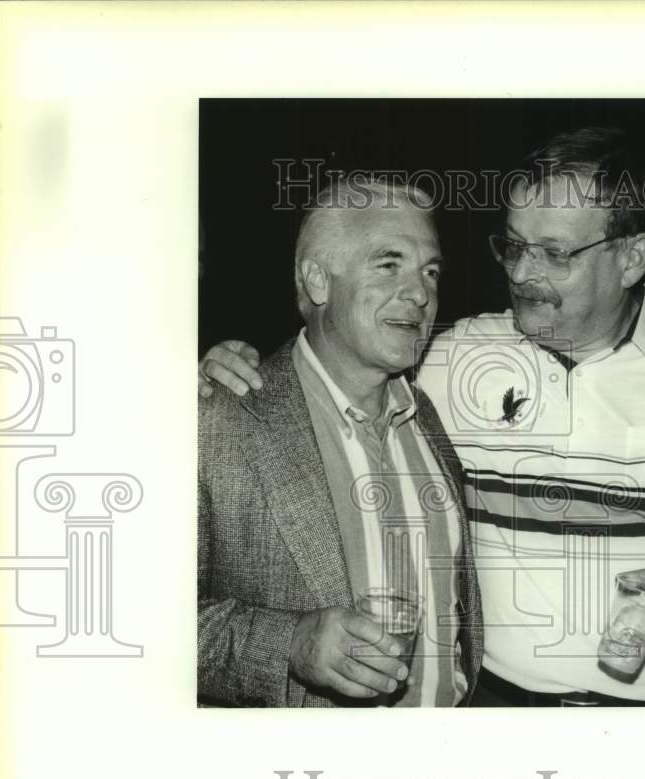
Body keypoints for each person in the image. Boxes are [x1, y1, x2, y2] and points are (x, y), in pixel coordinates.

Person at [200, 126, 645, 707]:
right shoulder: (451, 355)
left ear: (632, 258)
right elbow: (333, 356)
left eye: (554, 253)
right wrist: (215, 370)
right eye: (515, 246)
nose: (522, 273)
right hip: (494, 712)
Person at [197, 177, 482, 707]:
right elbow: (145, 626)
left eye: (431, 271)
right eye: (388, 263)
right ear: (318, 281)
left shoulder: (430, 419)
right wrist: (290, 644)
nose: (421, 293)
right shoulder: (215, 421)